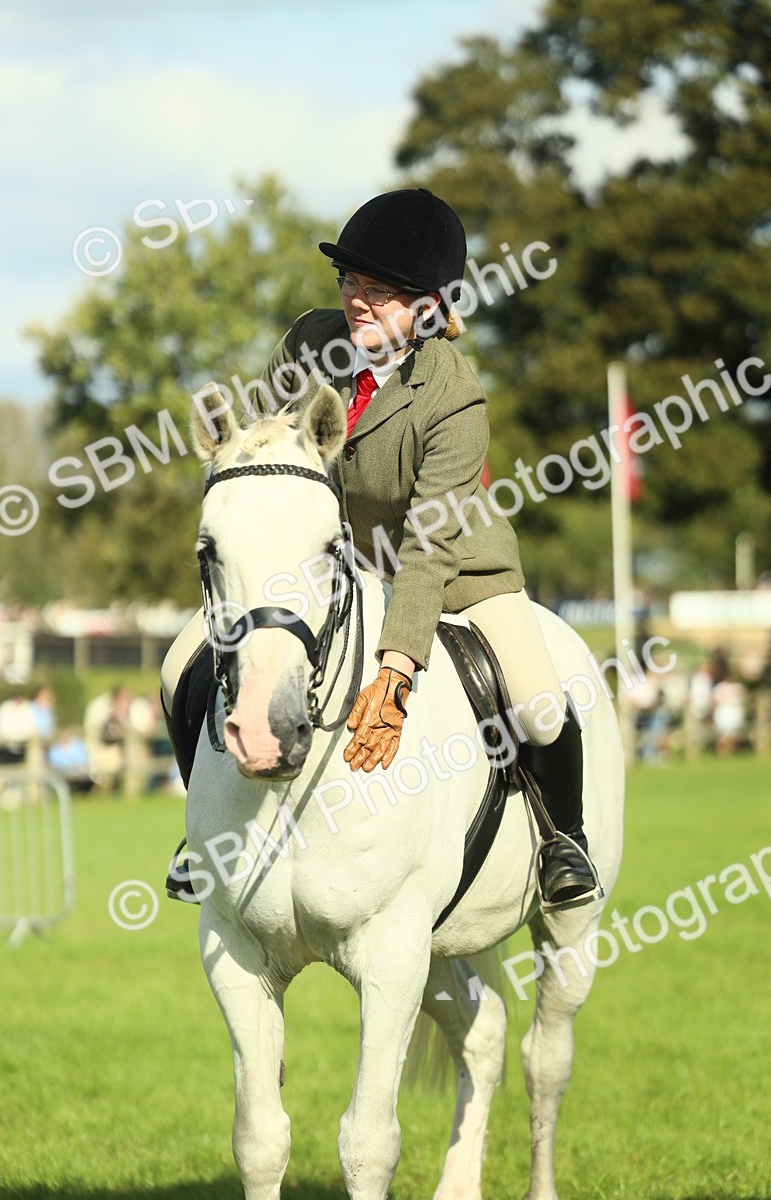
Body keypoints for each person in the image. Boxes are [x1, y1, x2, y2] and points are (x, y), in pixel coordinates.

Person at [162, 188, 602, 910]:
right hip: (337, 571)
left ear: (427, 307)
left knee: (540, 703)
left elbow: (429, 550)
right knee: (184, 663)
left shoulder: (453, 398)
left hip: (457, 569)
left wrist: (397, 671)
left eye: (380, 291)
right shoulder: (310, 342)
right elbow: (273, 455)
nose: (357, 301)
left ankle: (565, 840)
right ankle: (204, 832)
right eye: (350, 283)